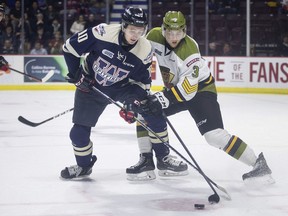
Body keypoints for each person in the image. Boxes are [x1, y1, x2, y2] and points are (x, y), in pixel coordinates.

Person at [123, 11, 274, 184]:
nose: (174, 37)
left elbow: (188, 89)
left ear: (184, 31)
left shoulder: (190, 49)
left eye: (178, 33)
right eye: (170, 32)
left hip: (200, 91)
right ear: (163, 29)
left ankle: (258, 164)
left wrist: (162, 98)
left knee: (214, 136)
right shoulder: (154, 36)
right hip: (175, 89)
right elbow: (141, 58)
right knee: (143, 110)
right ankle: (148, 161)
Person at [60, 7, 188, 180]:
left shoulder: (145, 49)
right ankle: (83, 166)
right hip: (91, 86)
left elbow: (143, 83)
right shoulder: (102, 33)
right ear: (123, 26)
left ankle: (163, 158)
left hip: (121, 87)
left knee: (152, 109)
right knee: (78, 133)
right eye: (132, 29)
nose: (135, 34)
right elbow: (69, 48)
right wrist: (76, 74)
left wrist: (132, 103)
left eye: (140, 30)